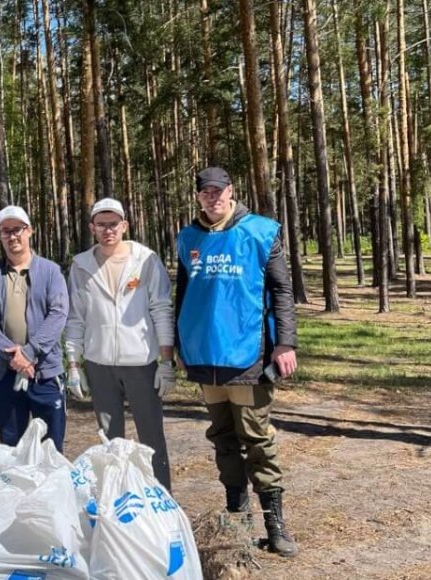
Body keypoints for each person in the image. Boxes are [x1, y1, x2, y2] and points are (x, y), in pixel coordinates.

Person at [175, 166, 299, 557]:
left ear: (231, 191)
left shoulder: (260, 232)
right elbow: (183, 294)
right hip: (205, 355)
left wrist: (285, 343)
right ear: (198, 197)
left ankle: (275, 524)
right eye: (205, 192)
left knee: (257, 439)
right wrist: (180, 344)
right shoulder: (189, 237)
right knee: (223, 439)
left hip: (248, 356)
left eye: (218, 191)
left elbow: (282, 290)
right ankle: (238, 519)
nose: (212, 198)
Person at [64, 198, 175, 490]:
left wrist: (166, 362)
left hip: (141, 363)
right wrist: (74, 364)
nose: (108, 230)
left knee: (151, 440)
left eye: (113, 224)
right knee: (110, 442)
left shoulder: (145, 260)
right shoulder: (81, 266)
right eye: (101, 225)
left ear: (124, 225)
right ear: (92, 228)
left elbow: (161, 309)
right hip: (99, 364)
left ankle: (161, 498)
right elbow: (76, 317)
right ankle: (115, 499)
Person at [0, 206, 69, 451]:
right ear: (0, 235)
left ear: (30, 231)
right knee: (10, 448)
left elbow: (58, 314)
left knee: (50, 449)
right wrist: (13, 356)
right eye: (6, 231)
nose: (12, 236)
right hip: (6, 374)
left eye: (17, 229)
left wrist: (29, 352)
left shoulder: (50, 271)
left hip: (45, 373)